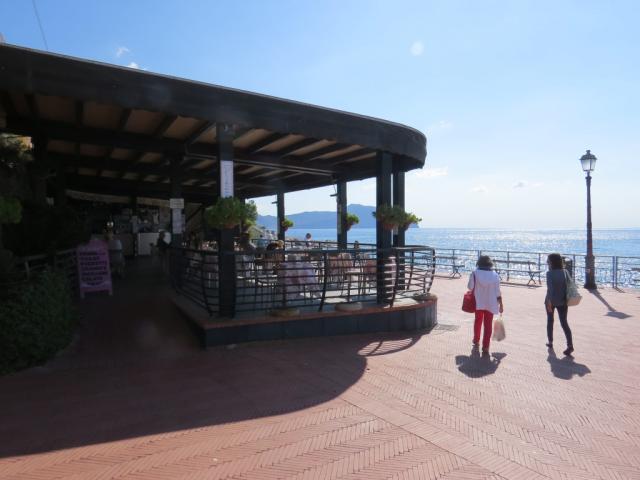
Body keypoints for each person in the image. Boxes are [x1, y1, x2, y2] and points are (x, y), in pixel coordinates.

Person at [467, 255, 504, 354]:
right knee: (488, 325)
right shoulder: (495, 275)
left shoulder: (474, 273)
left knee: (478, 321)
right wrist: (501, 304)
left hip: (478, 302)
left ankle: (476, 340)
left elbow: (470, 287)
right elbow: (498, 292)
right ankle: (486, 347)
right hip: (491, 303)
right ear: (489, 263)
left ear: (479, 263)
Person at [545, 253, 574, 356]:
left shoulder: (549, 273)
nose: (547, 262)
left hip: (551, 301)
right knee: (564, 323)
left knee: (550, 321)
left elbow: (550, 290)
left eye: (548, 260)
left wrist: (549, 302)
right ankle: (570, 345)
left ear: (551, 262)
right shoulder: (565, 272)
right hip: (563, 301)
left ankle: (550, 342)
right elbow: (569, 286)